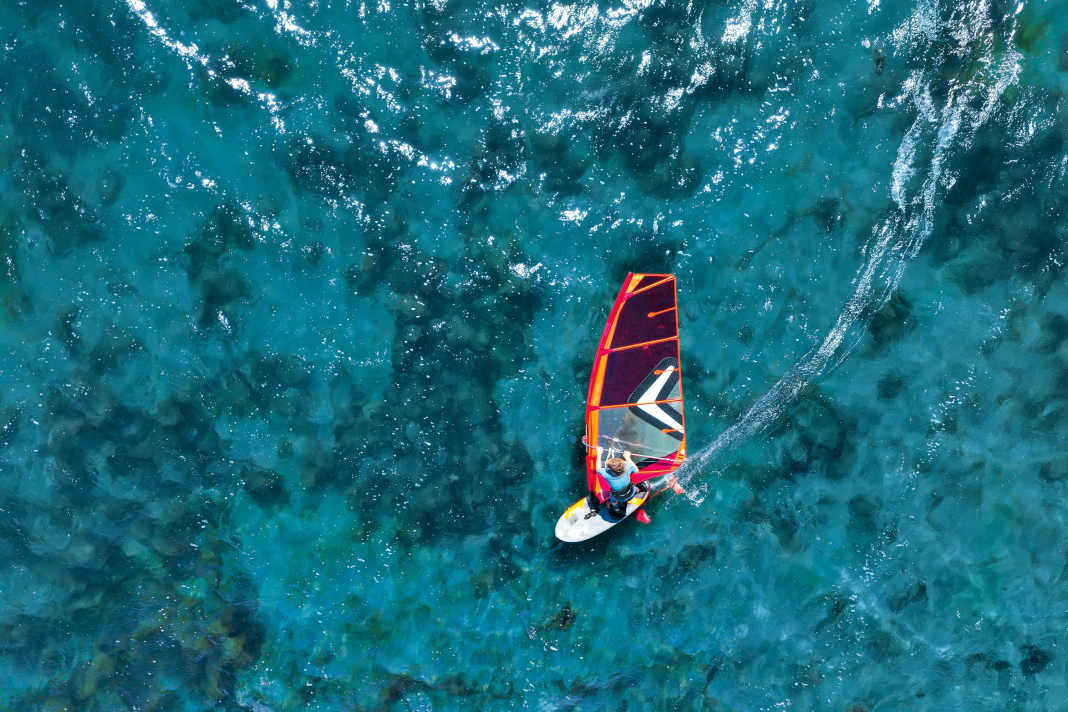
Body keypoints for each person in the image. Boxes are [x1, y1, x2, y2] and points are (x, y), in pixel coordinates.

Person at [595, 446, 641, 521]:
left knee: (613, 501)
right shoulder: (628, 468)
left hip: (619, 498)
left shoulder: (608, 475)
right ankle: (636, 491)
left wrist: (599, 453)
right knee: (631, 489)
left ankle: (616, 509)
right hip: (631, 492)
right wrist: (627, 457)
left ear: (610, 470)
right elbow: (636, 471)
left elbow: (598, 469)